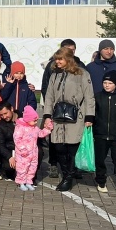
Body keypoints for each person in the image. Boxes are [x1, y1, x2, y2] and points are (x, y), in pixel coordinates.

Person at [41, 46, 96, 192]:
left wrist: (89, 116)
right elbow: (49, 96)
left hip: (76, 115)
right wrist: (47, 115)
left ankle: (68, 177)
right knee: (58, 146)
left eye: (60, 59)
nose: (57, 61)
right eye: (56, 59)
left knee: (72, 148)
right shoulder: (55, 75)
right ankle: (67, 173)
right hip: (58, 115)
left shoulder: (82, 74)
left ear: (68, 59)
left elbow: (89, 96)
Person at [40, 39, 84, 178]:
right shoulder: (52, 68)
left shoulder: (81, 67)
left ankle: (71, 169)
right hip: (56, 110)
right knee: (56, 141)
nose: (70, 52)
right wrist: (50, 109)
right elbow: (47, 87)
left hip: (74, 112)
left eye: (72, 50)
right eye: (67, 50)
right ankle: (54, 163)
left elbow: (86, 92)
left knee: (72, 142)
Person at [13, 105, 53, 191]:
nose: (35, 122)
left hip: (33, 152)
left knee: (32, 168)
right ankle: (21, 182)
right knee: (22, 168)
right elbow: (17, 139)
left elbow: (40, 134)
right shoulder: (20, 127)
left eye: (36, 120)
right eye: (34, 120)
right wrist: (22, 149)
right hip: (23, 154)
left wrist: (47, 129)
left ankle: (29, 181)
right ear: (27, 119)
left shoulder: (34, 128)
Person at [86, 39, 116, 104]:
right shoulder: (90, 67)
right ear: (100, 50)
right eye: (106, 49)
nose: (109, 51)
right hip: (96, 105)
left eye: (111, 49)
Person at [0, 101, 18, 182]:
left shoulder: (24, 119)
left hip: (25, 149)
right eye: (1, 115)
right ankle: (7, 172)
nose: (4, 117)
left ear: (11, 109)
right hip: (11, 150)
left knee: (39, 152)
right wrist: (9, 156)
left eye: (5, 113)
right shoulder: (0, 125)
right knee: (9, 167)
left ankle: (33, 175)